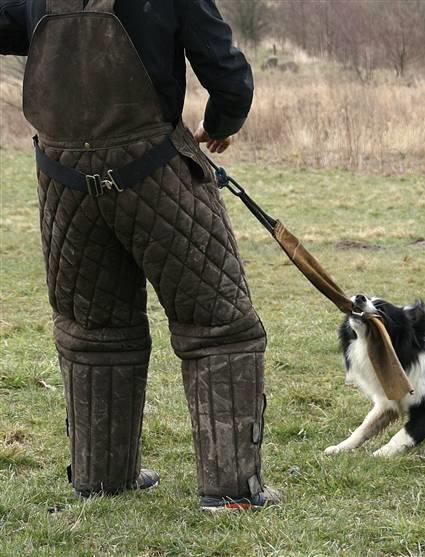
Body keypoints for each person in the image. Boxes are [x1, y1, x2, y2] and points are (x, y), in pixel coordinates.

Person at [0, 0, 280, 510]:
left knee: (94, 333)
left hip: (64, 185)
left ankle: (100, 478)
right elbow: (225, 68)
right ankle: (231, 491)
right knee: (220, 326)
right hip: (153, 174)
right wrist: (222, 121)